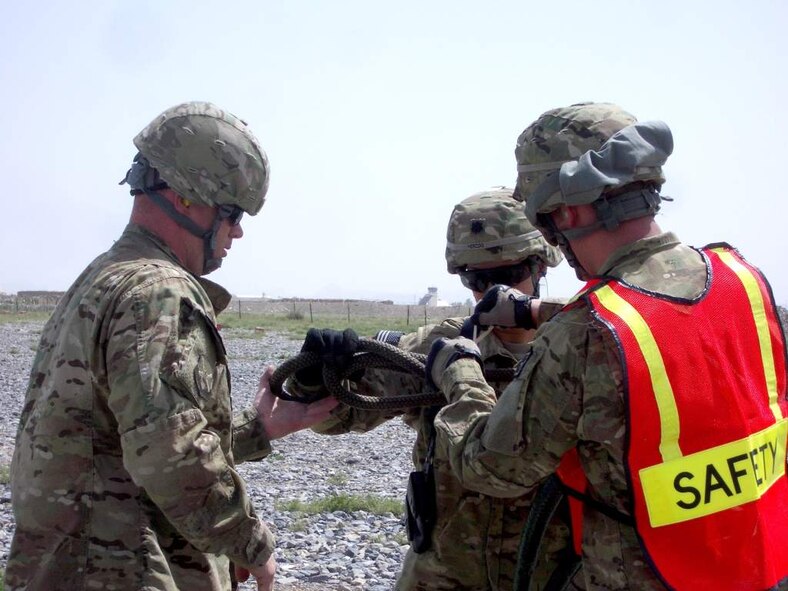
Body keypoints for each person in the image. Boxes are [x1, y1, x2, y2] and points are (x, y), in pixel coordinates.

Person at [425, 102, 788, 590]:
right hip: (755, 569)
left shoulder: (585, 332)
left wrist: (461, 372)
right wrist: (537, 312)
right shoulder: (746, 282)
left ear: (569, 211)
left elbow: (492, 468)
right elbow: (663, 329)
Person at [6, 101, 337, 591]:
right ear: (185, 198)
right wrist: (249, 542)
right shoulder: (156, 292)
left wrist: (258, 428)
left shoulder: (102, 278)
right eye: (231, 212)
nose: (238, 231)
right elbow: (171, 453)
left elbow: (115, 437)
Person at [291, 187, 578, 590]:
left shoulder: (579, 348)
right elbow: (346, 415)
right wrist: (316, 379)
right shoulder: (441, 346)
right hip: (444, 574)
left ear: (541, 265)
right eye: (478, 278)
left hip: (550, 575)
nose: (494, 293)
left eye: (509, 275)